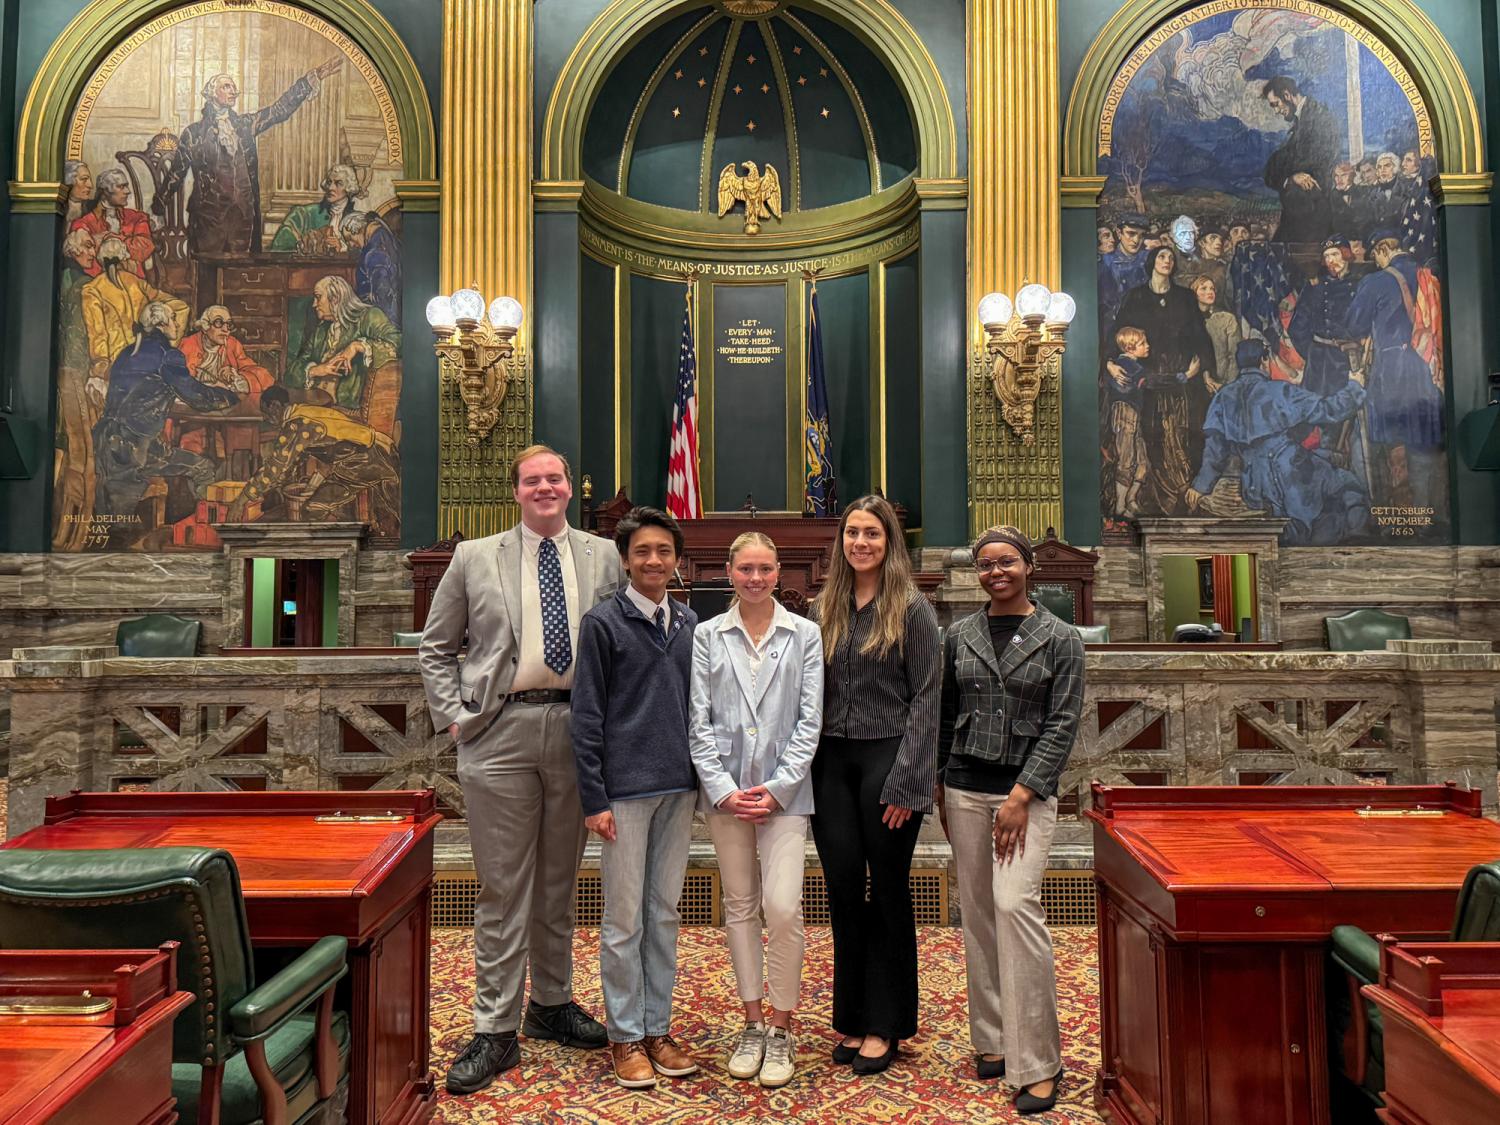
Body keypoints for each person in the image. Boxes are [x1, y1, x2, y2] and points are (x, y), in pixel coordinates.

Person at [418, 445, 621, 1096]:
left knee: (559, 882)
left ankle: (552, 1004)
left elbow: (620, 644)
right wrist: (456, 716)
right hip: (499, 731)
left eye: (555, 477)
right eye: (533, 479)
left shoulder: (603, 555)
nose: (545, 487)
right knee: (503, 888)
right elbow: (436, 646)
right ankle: (495, 1026)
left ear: (569, 487)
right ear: (516, 491)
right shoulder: (474, 557)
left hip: (576, 732)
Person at [938, 525, 1084, 1115]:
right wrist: (936, 788)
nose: (996, 572)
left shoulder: (1060, 637)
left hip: (1024, 796)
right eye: (986, 564)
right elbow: (946, 716)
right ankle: (994, 1039)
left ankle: (1040, 1061)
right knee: (977, 914)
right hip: (964, 791)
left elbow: (1062, 722)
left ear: (1028, 567)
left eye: (1007, 562)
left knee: (1015, 909)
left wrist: (1023, 794)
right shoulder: (959, 635)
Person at [571, 507, 702, 1089]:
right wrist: (593, 796)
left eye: (664, 552)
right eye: (643, 552)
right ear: (625, 560)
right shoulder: (603, 623)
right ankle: (624, 1036)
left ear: (677, 560)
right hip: (623, 794)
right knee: (623, 920)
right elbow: (587, 715)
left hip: (678, 789)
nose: (654, 561)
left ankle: (657, 1027)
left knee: (664, 914)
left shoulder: (691, 623)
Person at [688, 532, 824, 1088]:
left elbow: (810, 719)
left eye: (765, 568)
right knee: (741, 906)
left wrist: (778, 787)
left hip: (785, 797)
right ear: (728, 571)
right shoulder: (706, 635)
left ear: (778, 572)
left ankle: (784, 1027)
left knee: (785, 907)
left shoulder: (805, 634)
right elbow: (697, 720)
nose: (755, 578)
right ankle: (751, 1022)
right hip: (726, 797)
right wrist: (722, 788)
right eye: (745, 568)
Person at [812, 494, 940, 1075]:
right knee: (842, 886)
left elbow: (926, 699)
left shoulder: (912, 609)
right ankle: (854, 1015)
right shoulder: (827, 605)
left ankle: (887, 1024)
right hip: (831, 762)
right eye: (852, 533)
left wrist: (910, 781)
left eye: (873, 534)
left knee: (886, 887)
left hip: (889, 759)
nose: (860, 543)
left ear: (890, 543)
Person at [1187, 339, 1372, 544]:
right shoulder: (1279, 391)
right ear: (1264, 360)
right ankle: (1358, 542)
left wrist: (1201, 486)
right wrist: (1355, 385)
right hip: (1293, 471)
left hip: (1255, 485)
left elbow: (1215, 449)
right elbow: (1329, 410)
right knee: (1349, 485)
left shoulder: (1222, 397)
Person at [91, 301, 237, 540]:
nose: (178, 324)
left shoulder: (128, 352)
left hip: (105, 446)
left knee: (115, 532)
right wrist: (229, 396)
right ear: (160, 325)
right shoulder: (167, 356)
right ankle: (207, 534)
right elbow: (199, 397)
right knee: (204, 468)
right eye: (173, 319)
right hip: (135, 453)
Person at [162, 61, 341, 254]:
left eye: (234, 87)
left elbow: (278, 110)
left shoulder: (244, 125)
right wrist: (159, 201)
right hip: (209, 218)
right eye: (226, 86)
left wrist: (308, 81)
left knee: (241, 275)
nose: (233, 91)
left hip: (243, 215)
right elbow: (176, 173)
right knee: (208, 274)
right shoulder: (194, 133)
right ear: (213, 94)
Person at [1344, 231, 1446, 511]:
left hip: (1392, 372)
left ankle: (1402, 513)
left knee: (1394, 443)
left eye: (1375, 255)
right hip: (1428, 370)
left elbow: (1354, 325)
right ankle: (1430, 510)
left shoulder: (1376, 280)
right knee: (1425, 441)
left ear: (1381, 250)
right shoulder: (1428, 275)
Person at [1112, 245, 1216, 514]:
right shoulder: (1135, 297)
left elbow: (1200, 337)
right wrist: (1110, 364)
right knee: (1151, 439)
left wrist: (1205, 372)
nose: (1167, 261)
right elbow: (1116, 336)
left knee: (1180, 435)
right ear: (1151, 262)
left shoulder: (1184, 298)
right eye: (1161, 256)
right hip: (1148, 383)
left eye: (1171, 257)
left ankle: (1182, 494)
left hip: (1181, 381)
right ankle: (1148, 499)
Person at [224, 389, 400, 536]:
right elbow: (292, 463)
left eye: (265, 411)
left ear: (276, 406)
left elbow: (276, 468)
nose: (265, 418)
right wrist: (311, 483)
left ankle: (329, 553)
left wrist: (241, 500)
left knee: (313, 510)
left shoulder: (296, 424)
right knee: (397, 507)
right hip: (379, 451)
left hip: (367, 459)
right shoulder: (304, 412)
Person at [81, 236, 189, 399]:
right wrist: (167, 344)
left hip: (118, 364)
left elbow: (98, 335)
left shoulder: (92, 289)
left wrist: (101, 368)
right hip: (146, 360)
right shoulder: (134, 281)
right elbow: (180, 307)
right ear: (124, 258)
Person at [283, 275, 400, 410]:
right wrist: (315, 370)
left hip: (348, 409)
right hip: (315, 406)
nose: (314, 304)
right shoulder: (321, 330)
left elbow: (399, 343)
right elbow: (290, 374)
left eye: (318, 297)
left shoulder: (369, 317)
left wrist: (358, 346)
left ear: (335, 299)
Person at [1261, 76, 1336, 244]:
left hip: (1312, 208)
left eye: (1275, 104)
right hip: (1302, 206)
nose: (1276, 111)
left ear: (1287, 95)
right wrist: (1292, 176)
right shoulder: (1301, 120)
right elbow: (1275, 166)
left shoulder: (1318, 116)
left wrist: (1292, 173)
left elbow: (1316, 158)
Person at [70, 168, 155, 278]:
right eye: (121, 186)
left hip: (133, 282)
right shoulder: (83, 224)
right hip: (99, 284)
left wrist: (108, 238)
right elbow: (86, 259)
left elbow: (145, 247)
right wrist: (127, 245)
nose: (127, 191)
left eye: (126, 186)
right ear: (105, 191)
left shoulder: (137, 217)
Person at [179, 306, 275, 403]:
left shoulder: (232, 345)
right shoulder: (187, 345)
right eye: (218, 322)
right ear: (205, 326)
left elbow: (266, 377)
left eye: (228, 324)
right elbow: (179, 382)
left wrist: (242, 379)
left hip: (225, 405)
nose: (226, 329)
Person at [1104, 326, 1150, 517]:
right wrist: (1184, 376)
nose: (1148, 346)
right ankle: (1120, 507)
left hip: (1133, 415)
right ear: (1130, 348)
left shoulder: (1131, 365)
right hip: (1125, 414)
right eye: (1143, 344)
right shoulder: (1130, 366)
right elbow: (1152, 381)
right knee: (1126, 460)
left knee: (1142, 461)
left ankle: (1130, 499)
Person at [269, 163, 365, 254]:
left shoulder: (357, 220)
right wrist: (308, 245)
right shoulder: (304, 214)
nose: (331, 187)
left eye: (338, 183)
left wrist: (342, 248)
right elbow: (279, 246)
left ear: (349, 188)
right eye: (329, 182)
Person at [339, 210, 402, 321]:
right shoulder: (383, 236)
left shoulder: (374, 250)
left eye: (349, 239)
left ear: (357, 230)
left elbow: (382, 292)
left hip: (382, 317)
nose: (351, 245)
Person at [1190, 275, 1242, 392]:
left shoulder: (1226, 319)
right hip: (1196, 382)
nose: (1210, 292)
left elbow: (1234, 355)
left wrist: (1227, 385)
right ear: (1194, 292)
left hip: (1224, 383)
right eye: (1203, 288)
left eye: (1212, 288)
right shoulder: (1187, 320)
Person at [63, 160, 94, 225]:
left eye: (89, 180)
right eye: (84, 179)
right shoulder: (60, 207)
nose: (90, 185)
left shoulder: (93, 208)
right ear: (69, 181)